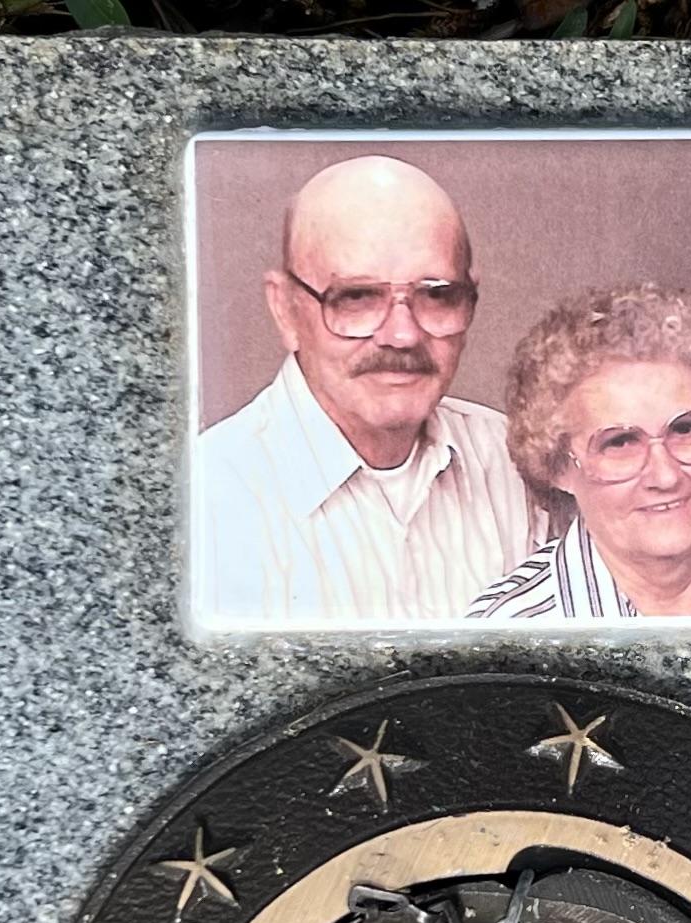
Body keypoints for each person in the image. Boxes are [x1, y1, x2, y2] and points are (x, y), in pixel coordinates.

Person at [196, 156, 534, 627]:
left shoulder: (520, 468)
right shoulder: (202, 505)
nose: (402, 335)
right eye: (356, 297)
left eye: (436, 295)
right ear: (286, 309)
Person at [468, 283, 691, 622]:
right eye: (621, 442)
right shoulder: (507, 631)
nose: (665, 476)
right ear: (559, 466)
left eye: (685, 429)